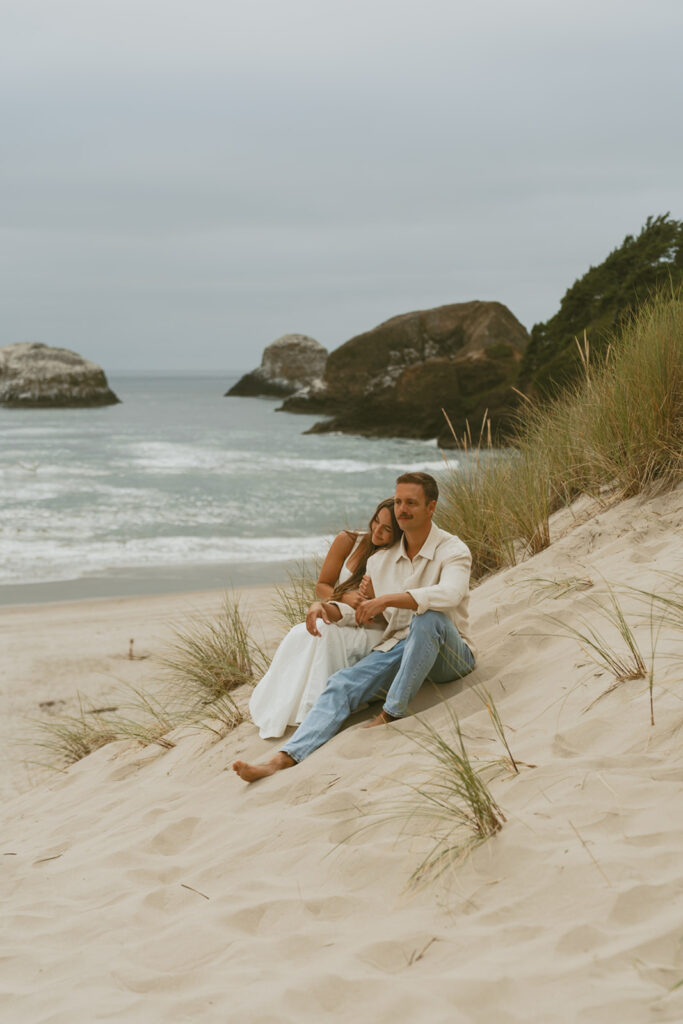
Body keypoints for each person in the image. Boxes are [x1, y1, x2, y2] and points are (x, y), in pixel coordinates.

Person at [233, 472, 475, 782]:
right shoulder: (381, 561)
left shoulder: (453, 550)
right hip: (400, 646)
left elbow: (451, 594)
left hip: (450, 655)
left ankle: (390, 714)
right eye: (398, 501)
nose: (402, 509)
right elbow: (365, 613)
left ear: (431, 508)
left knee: (428, 618)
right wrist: (328, 607)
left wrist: (388, 599)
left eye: (411, 503)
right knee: (340, 684)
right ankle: (282, 759)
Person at [248, 498, 401, 739]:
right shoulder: (349, 541)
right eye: (376, 521)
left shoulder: (394, 558)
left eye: (387, 529)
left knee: (327, 634)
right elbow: (322, 585)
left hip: (374, 627)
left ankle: (316, 709)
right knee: (301, 633)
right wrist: (344, 597)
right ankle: (288, 705)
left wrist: (366, 599)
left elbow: (387, 609)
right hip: (338, 613)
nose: (377, 531)